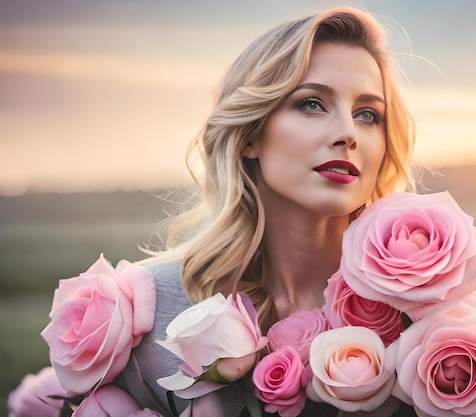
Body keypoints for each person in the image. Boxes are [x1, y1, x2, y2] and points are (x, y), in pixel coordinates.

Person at [100, 5, 413, 416]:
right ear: (250, 135)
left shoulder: (424, 316)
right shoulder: (153, 311)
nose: (347, 134)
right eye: (312, 104)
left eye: (368, 114)